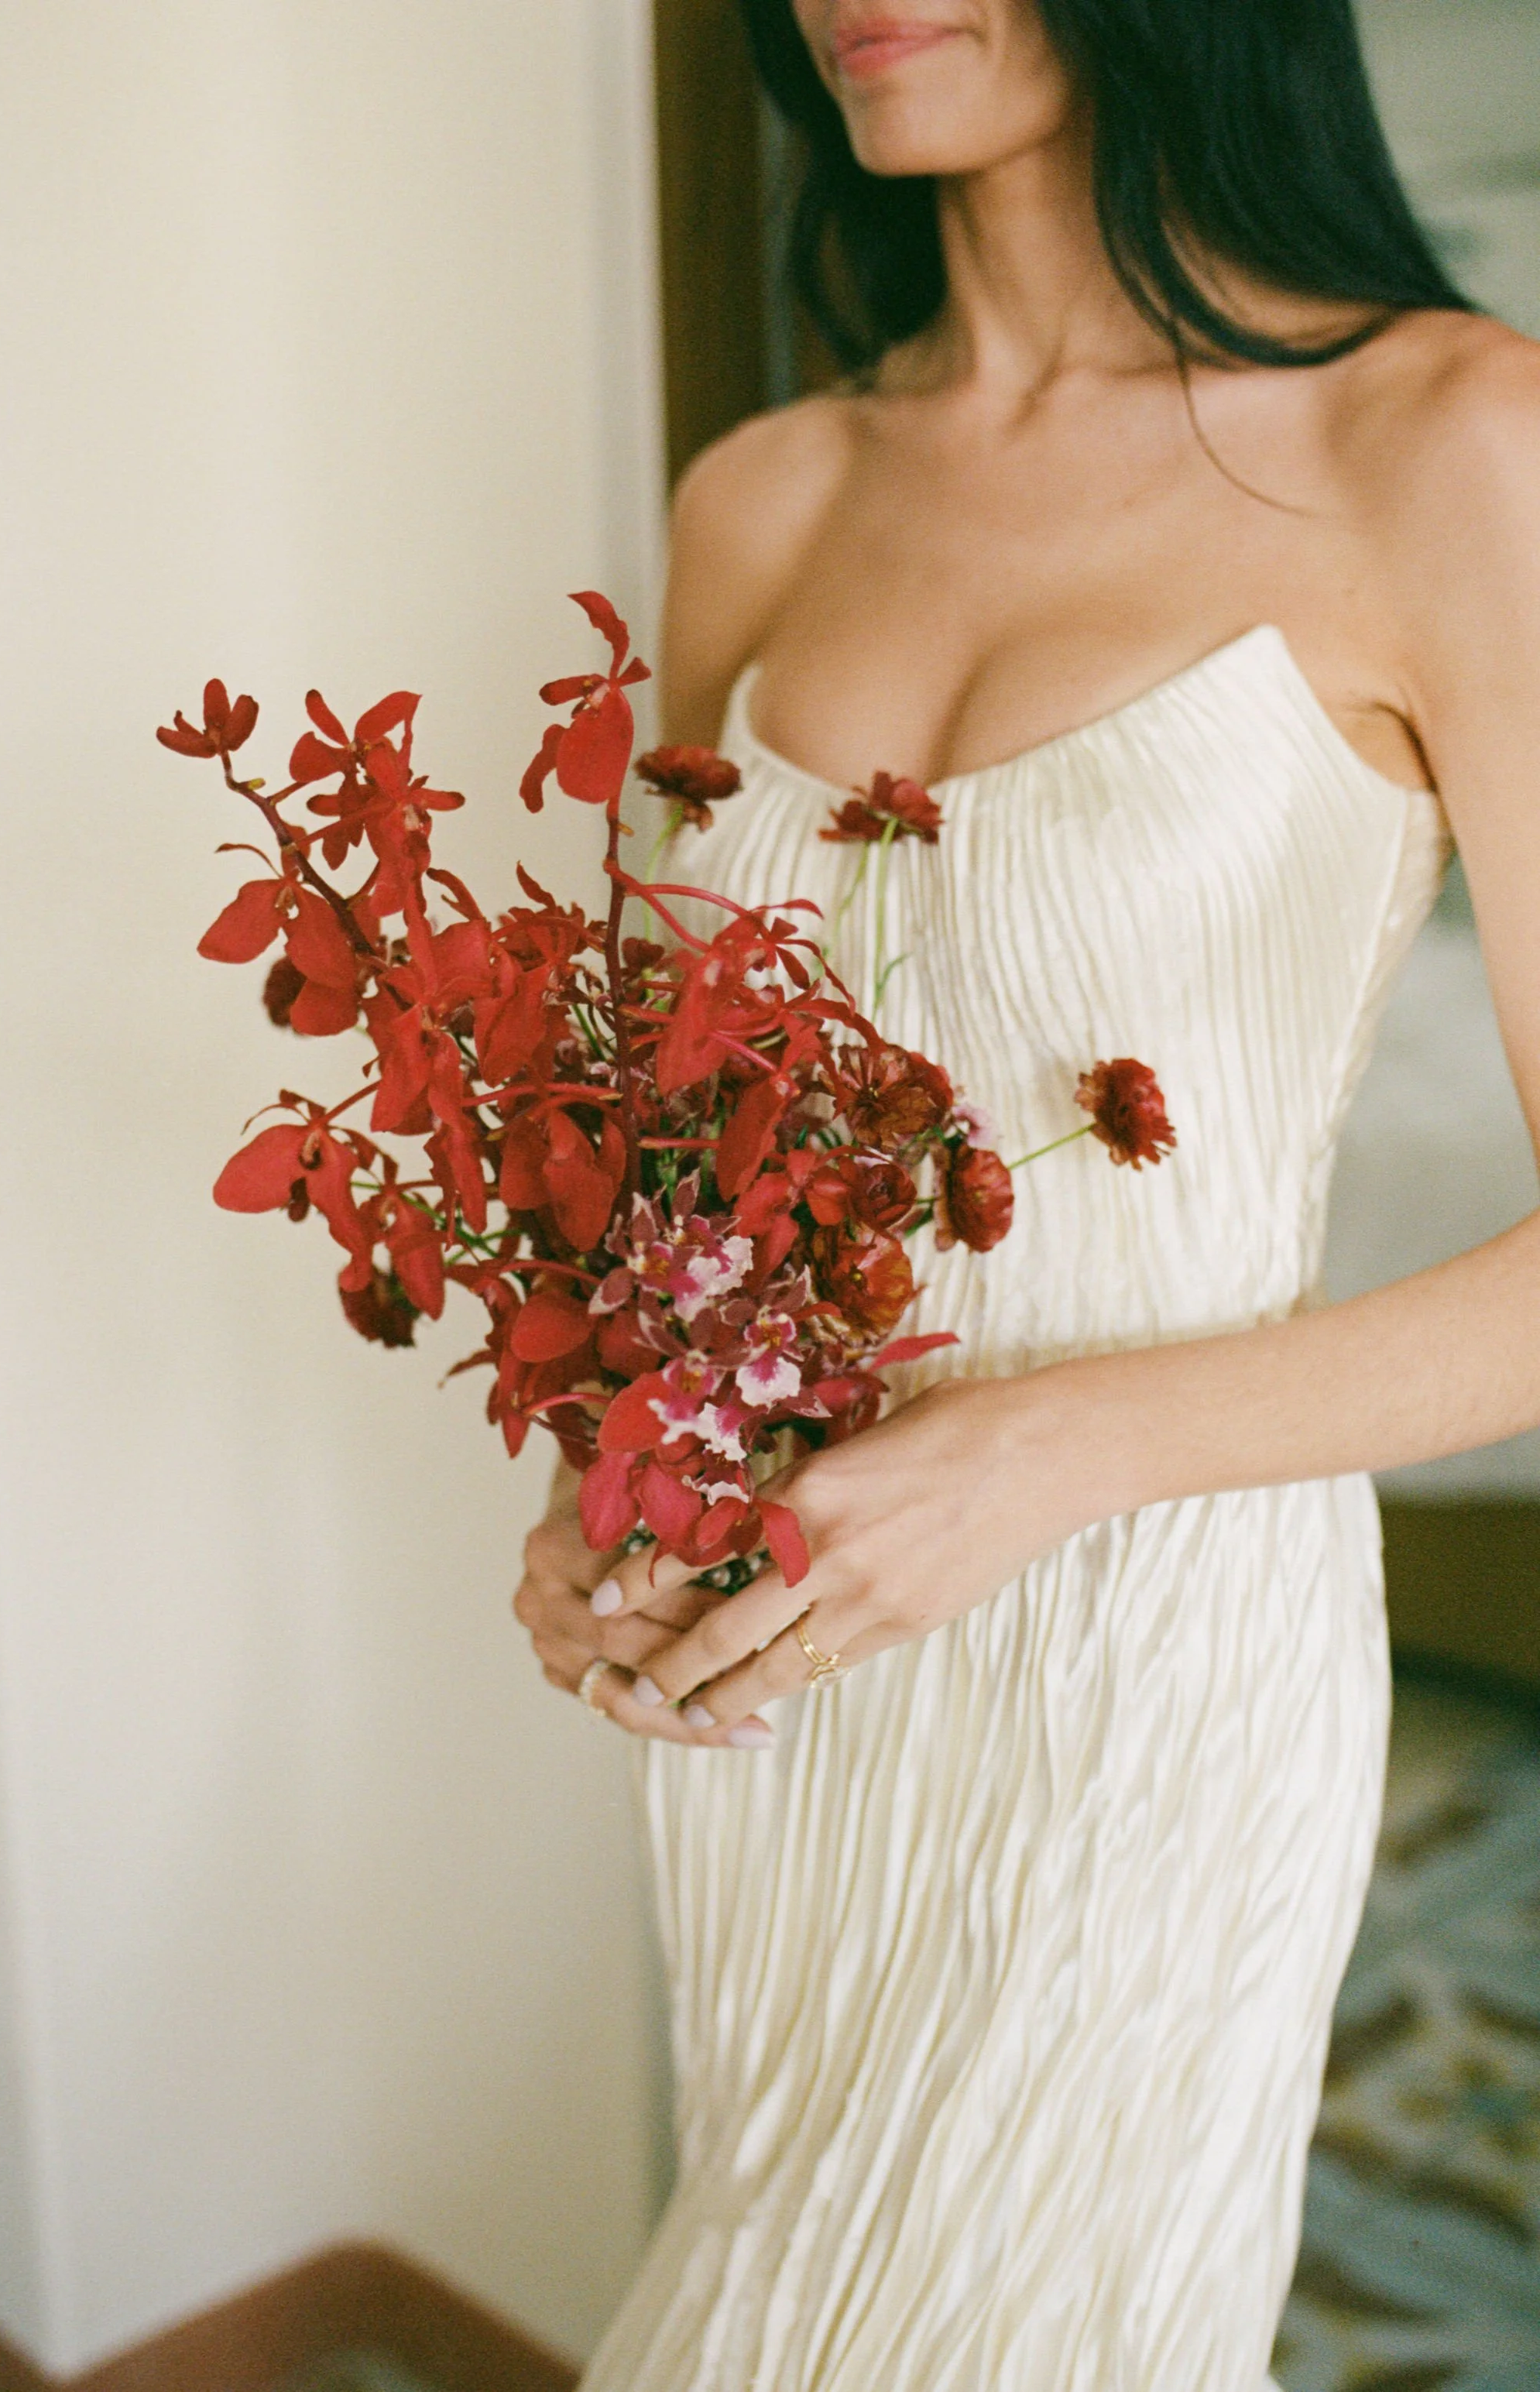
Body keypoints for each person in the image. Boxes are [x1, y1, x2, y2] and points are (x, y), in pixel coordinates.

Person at [513, 3, 1540, 2383]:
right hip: (798, 1699)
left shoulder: (1450, 445)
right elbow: (689, 1171)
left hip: (1147, 1673)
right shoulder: (758, 496)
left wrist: (1049, 1451)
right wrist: (615, 1459)